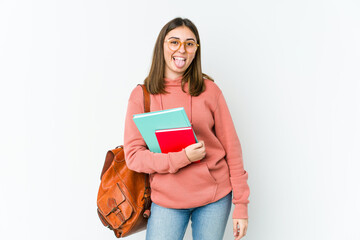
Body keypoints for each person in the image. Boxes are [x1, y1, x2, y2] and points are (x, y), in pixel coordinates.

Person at [124, 17, 250, 240]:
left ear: (196, 50)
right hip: (166, 200)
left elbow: (232, 148)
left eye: (189, 43)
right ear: (162, 45)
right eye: (174, 42)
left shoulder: (210, 91)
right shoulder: (141, 96)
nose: (182, 49)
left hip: (214, 197)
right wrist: (182, 158)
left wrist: (241, 204)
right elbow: (134, 157)